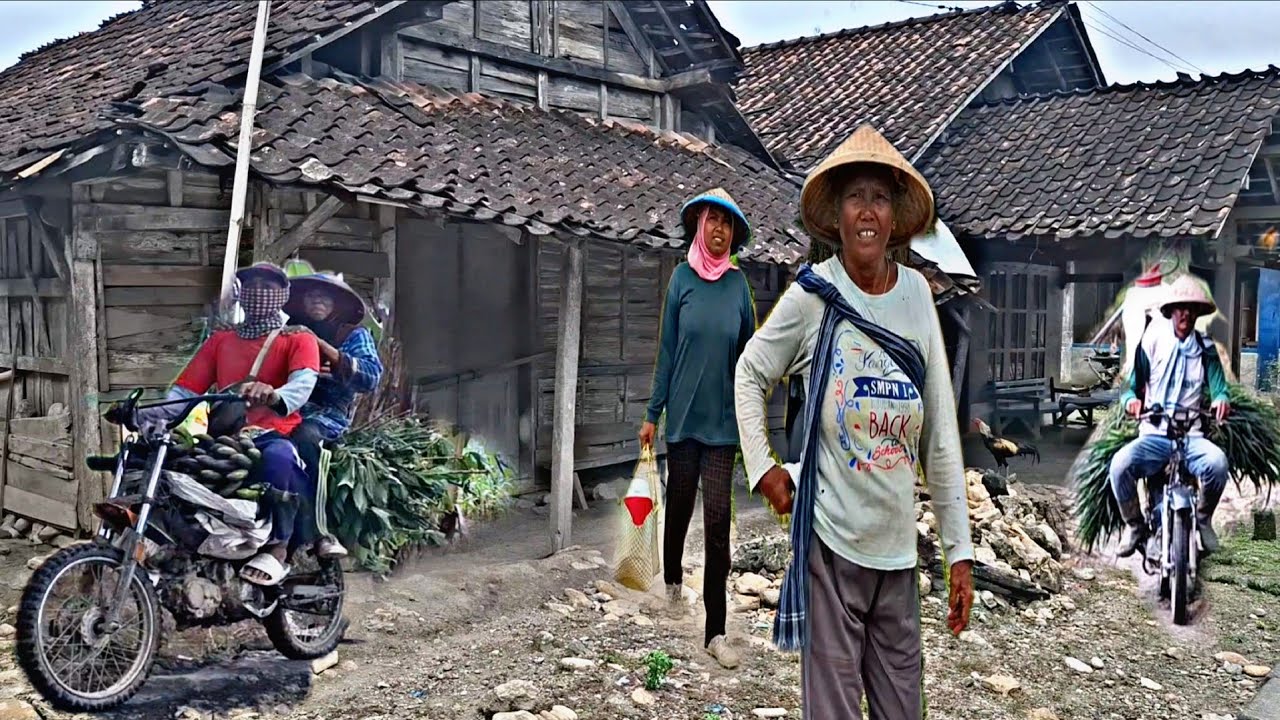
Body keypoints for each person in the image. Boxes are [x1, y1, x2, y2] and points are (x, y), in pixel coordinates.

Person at [733, 124, 974, 719]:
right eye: (854, 197)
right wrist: (763, 468)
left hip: (896, 555)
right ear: (836, 216)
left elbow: (940, 433)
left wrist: (959, 551)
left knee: (902, 709)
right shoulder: (814, 296)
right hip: (830, 547)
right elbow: (749, 374)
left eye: (880, 198)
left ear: (894, 219)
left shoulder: (918, 295)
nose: (868, 211)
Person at [137, 263, 321, 587]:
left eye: (269, 286)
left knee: (279, 460)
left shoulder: (298, 337)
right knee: (168, 471)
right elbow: (184, 392)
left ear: (283, 294)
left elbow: (303, 383)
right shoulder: (220, 340)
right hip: (223, 439)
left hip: (273, 433)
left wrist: (274, 394)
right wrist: (146, 414)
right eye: (251, 285)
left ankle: (279, 548)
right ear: (240, 292)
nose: (259, 292)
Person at [637, 187, 757, 670]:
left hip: (723, 426)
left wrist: (752, 423)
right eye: (713, 221)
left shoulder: (739, 287)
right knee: (680, 506)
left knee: (717, 528)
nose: (719, 230)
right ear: (700, 226)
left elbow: (750, 359)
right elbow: (666, 352)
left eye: (727, 224)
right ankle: (670, 584)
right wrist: (652, 413)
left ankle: (716, 631)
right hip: (682, 419)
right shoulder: (681, 280)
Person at [1109, 274, 1230, 557]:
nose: (1185, 313)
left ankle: (1202, 519)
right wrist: (1131, 402)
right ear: (1171, 311)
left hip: (1192, 436)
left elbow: (1219, 387)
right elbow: (1131, 387)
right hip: (1155, 434)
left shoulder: (1206, 348)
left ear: (1198, 313)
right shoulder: (1151, 342)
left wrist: (1222, 399)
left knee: (1217, 464)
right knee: (1119, 466)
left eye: (1191, 308)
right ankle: (1135, 525)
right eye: (1180, 307)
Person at [284, 271, 385, 559]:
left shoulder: (352, 335)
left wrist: (328, 352)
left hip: (327, 415)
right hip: (284, 408)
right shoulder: (288, 330)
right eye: (311, 295)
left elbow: (370, 376)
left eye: (325, 295)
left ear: (338, 304)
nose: (318, 299)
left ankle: (319, 531)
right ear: (300, 302)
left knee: (305, 437)